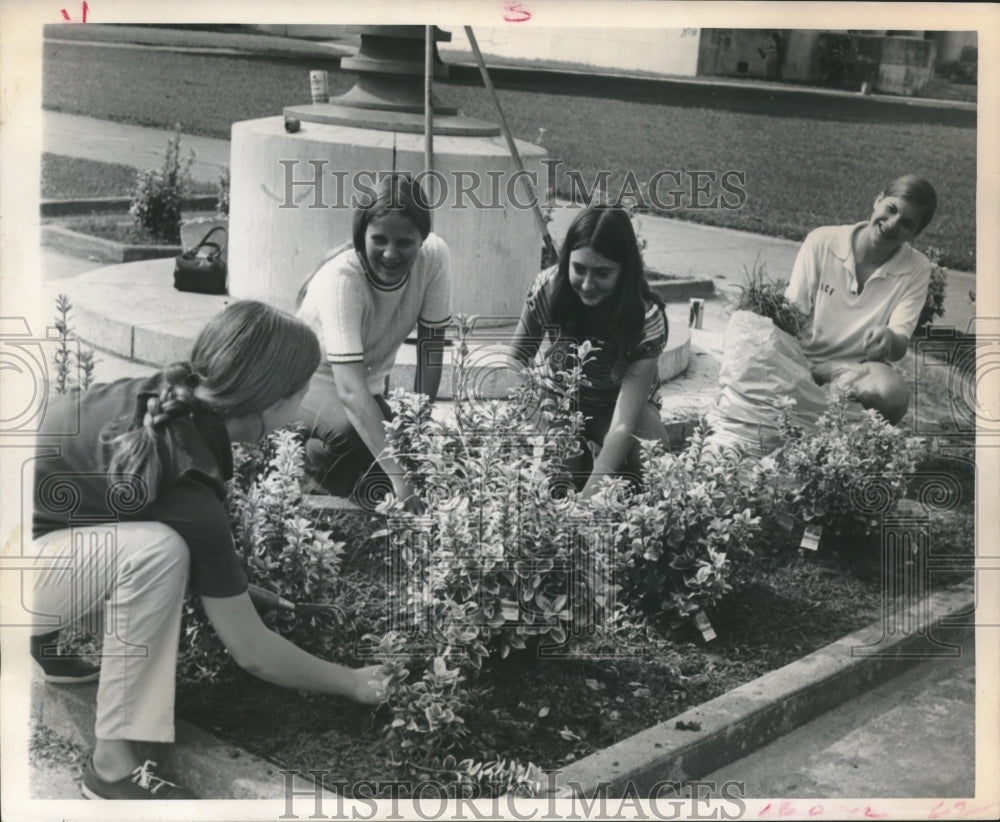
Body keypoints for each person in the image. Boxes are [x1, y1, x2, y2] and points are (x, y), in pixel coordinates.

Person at [29, 301, 386, 800]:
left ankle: (41, 641)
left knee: (139, 541)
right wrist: (353, 682)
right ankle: (111, 768)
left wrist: (232, 584)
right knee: (157, 553)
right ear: (270, 401)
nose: (306, 405)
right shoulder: (189, 480)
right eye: (304, 390)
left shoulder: (165, 397)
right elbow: (253, 652)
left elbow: (100, 494)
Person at [296, 173, 451, 512]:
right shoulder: (342, 279)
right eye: (379, 239)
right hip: (308, 381)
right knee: (357, 444)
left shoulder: (435, 257)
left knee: (410, 452)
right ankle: (308, 462)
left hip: (366, 384)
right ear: (361, 234)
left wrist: (416, 428)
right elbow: (350, 392)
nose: (390, 254)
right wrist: (399, 479)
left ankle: (341, 472)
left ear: (423, 239)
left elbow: (430, 352)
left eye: (405, 243)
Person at [509, 204, 669, 499]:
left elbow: (623, 423)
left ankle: (624, 503)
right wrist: (539, 419)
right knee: (559, 462)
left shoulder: (646, 318)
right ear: (566, 258)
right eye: (579, 269)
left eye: (602, 273)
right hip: (557, 398)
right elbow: (516, 360)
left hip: (616, 408)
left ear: (625, 271)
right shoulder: (547, 287)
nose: (587, 284)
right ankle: (579, 459)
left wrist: (589, 498)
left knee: (654, 458)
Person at [785, 175, 938, 424]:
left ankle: (839, 420)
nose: (892, 225)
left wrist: (889, 339)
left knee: (892, 395)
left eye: (907, 224)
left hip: (857, 368)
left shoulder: (917, 267)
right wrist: (797, 365)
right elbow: (791, 314)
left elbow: (899, 344)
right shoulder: (822, 241)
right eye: (891, 209)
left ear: (915, 234)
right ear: (878, 200)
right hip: (801, 358)